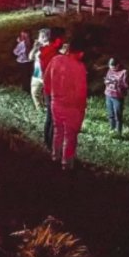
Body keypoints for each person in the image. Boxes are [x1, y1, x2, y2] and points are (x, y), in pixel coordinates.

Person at [43, 38, 88, 171]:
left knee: (58, 131)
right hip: (72, 107)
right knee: (70, 136)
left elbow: (46, 80)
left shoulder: (56, 60)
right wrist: (81, 110)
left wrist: (50, 97)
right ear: (81, 53)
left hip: (55, 102)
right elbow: (81, 92)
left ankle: (55, 157)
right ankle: (66, 164)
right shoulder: (79, 67)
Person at [39, 30, 65, 149]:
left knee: (50, 116)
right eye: (61, 39)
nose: (63, 41)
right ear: (56, 40)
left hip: (48, 88)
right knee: (55, 118)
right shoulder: (54, 54)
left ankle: (47, 142)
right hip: (55, 89)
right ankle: (52, 145)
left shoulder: (46, 51)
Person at [104, 58, 129, 135]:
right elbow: (107, 80)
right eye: (110, 67)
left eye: (114, 67)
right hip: (108, 94)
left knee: (118, 115)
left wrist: (118, 84)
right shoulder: (110, 70)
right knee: (110, 114)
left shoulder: (124, 72)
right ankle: (112, 130)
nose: (112, 69)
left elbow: (127, 85)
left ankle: (118, 132)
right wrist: (106, 81)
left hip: (118, 96)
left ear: (118, 65)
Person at [28, 29, 49, 110]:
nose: (38, 38)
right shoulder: (38, 47)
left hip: (46, 75)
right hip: (37, 74)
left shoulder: (50, 46)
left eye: (40, 36)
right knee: (35, 93)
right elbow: (30, 57)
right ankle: (39, 109)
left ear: (44, 37)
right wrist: (35, 48)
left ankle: (49, 110)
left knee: (48, 94)